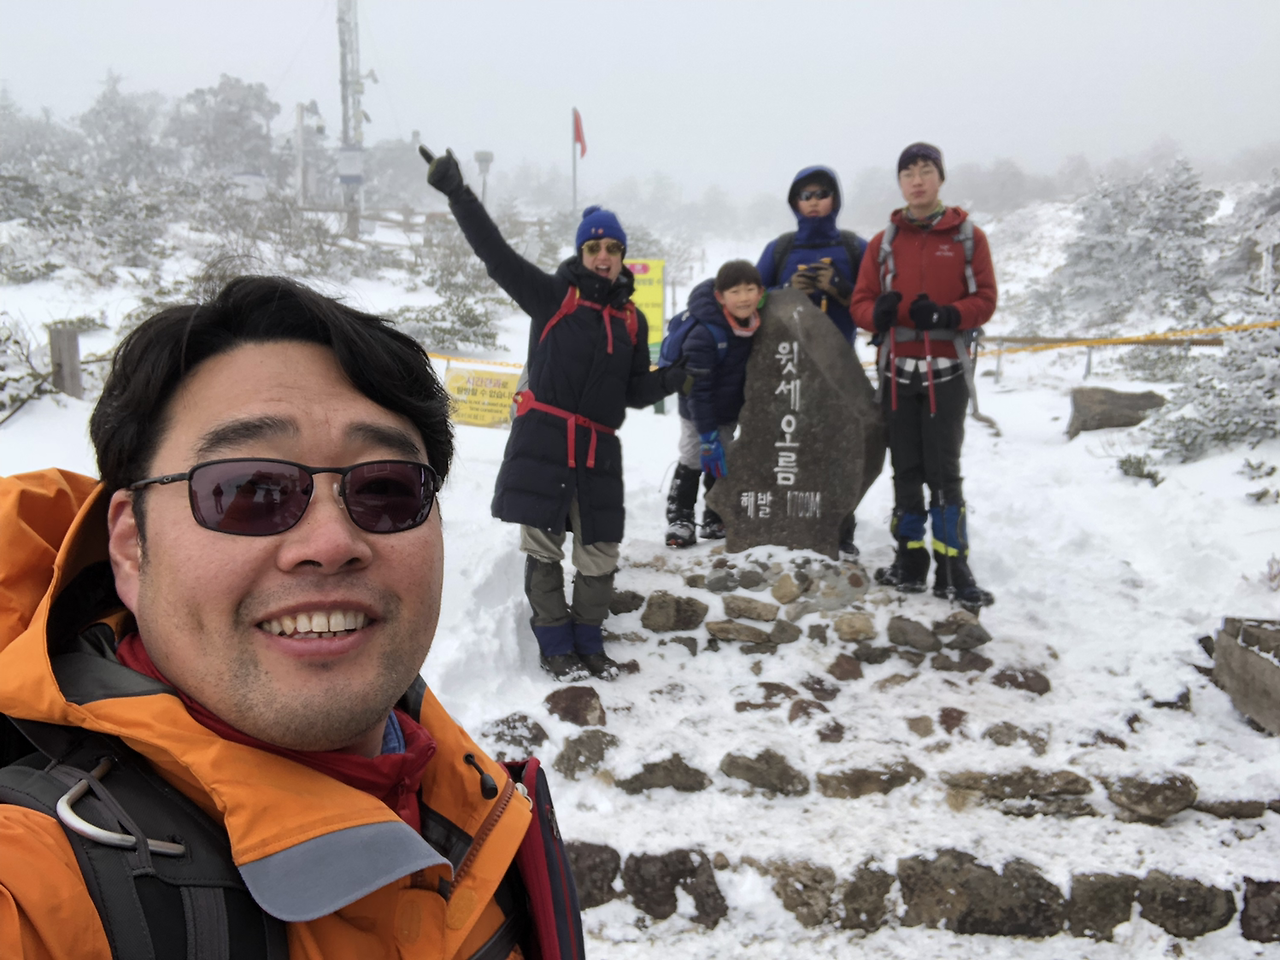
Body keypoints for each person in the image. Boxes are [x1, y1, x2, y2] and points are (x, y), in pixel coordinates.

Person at [0, 276, 583, 959]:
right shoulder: (39, 885)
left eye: (387, 488)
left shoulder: (479, 813)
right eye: (248, 490)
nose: (331, 543)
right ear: (130, 546)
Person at [425, 150, 691, 682]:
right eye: (594, 247)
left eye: (613, 248)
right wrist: (459, 192)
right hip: (544, 441)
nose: (603, 256)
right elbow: (496, 255)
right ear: (581, 251)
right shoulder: (553, 296)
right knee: (543, 547)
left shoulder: (631, 320)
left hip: (598, 450)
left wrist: (673, 377)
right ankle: (555, 645)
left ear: (622, 256)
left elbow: (632, 390)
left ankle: (589, 643)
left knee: (599, 551)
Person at [850, 142, 998, 607]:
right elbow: (860, 303)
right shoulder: (883, 243)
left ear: (940, 178)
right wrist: (878, 314)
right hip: (897, 373)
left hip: (946, 374)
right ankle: (909, 559)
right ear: (899, 182)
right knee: (906, 470)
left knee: (944, 472)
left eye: (926, 170)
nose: (917, 180)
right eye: (908, 173)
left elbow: (986, 300)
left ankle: (954, 568)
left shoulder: (968, 238)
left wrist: (947, 316)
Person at [757, 165, 867, 559]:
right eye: (806, 195)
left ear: (834, 198)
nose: (814, 201)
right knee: (789, 448)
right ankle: (790, 521)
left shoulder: (855, 248)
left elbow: (875, 304)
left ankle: (839, 527)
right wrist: (786, 291)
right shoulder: (780, 249)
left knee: (839, 449)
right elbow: (750, 302)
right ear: (795, 202)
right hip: (788, 366)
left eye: (822, 193)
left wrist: (840, 288)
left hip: (839, 366)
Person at [663, 260, 764, 547]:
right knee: (694, 457)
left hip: (727, 410)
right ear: (720, 296)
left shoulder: (754, 324)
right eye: (735, 291)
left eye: (750, 290)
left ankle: (714, 515)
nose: (743, 298)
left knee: (722, 461)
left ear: (761, 293)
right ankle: (680, 517)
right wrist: (706, 434)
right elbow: (697, 389)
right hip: (696, 408)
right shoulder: (705, 333)